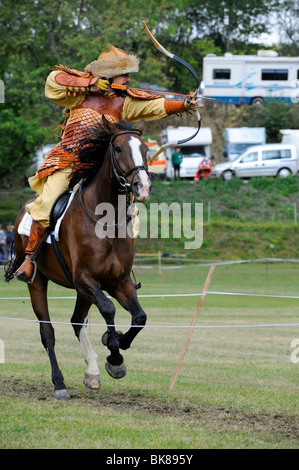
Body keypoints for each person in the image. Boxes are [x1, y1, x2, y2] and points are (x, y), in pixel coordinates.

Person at [15, 44, 200, 283]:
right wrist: (89, 84)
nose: (128, 78)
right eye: (124, 74)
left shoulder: (126, 101)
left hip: (102, 166)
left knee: (129, 214)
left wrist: (183, 104)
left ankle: (122, 268)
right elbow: (53, 81)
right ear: (109, 75)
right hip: (67, 159)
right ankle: (29, 259)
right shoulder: (79, 92)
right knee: (47, 202)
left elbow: (155, 105)